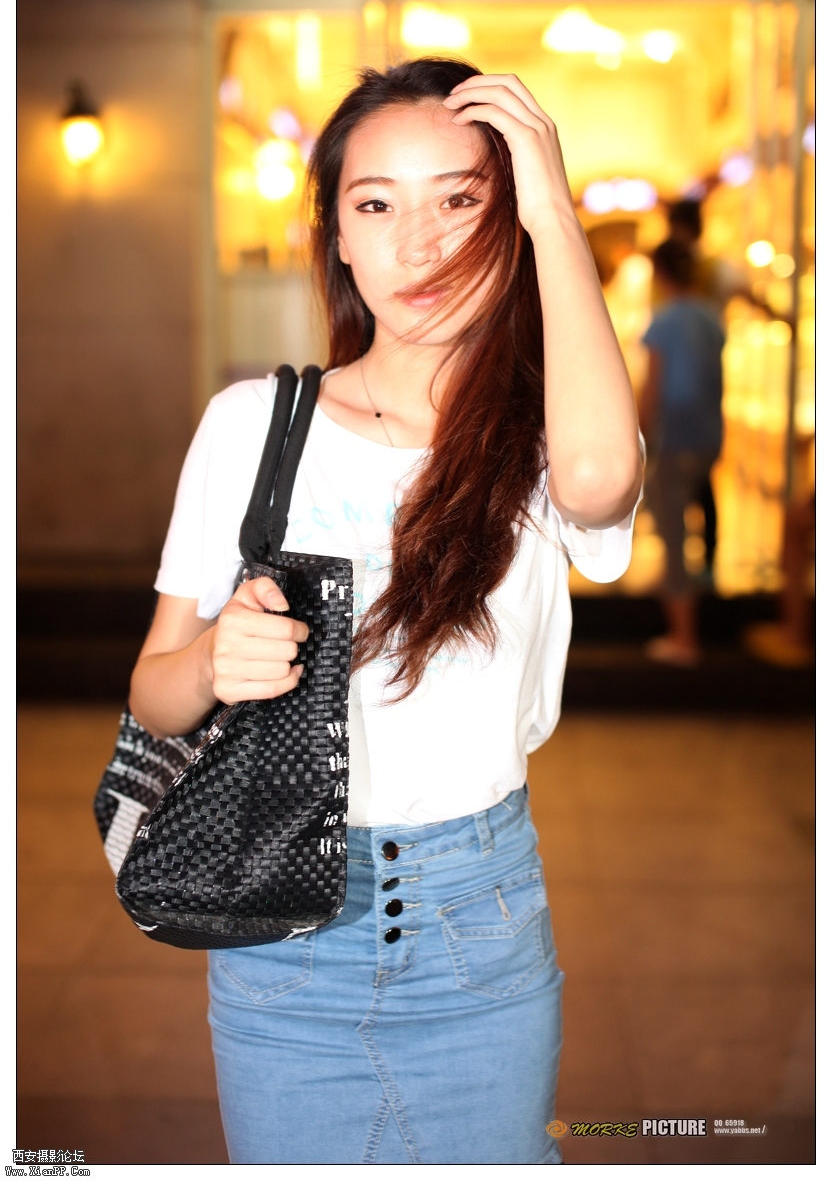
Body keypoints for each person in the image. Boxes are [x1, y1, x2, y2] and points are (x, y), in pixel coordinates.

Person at [128, 58, 642, 1165]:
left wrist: (553, 208)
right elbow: (154, 694)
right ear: (339, 240)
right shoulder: (253, 424)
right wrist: (213, 660)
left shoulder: (545, 438)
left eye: (461, 201)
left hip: (478, 921)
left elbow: (603, 480)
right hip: (283, 932)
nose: (420, 245)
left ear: (511, 223)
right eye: (377, 206)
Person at [639, 239, 724, 666]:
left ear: (660, 272)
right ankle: (684, 590)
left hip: (675, 436)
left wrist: (639, 432)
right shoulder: (711, 317)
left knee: (673, 533)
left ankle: (684, 637)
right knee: (684, 513)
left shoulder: (664, 320)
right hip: (709, 435)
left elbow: (653, 387)